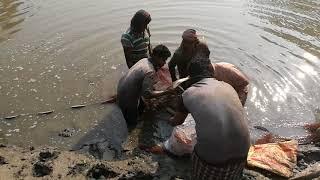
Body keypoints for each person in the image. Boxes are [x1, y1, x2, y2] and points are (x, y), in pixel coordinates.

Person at [169, 58, 250, 179]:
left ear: (190, 77)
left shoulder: (186, 94)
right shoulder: (228, 86)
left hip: (213, 162)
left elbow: (177, 121)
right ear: (211, 72)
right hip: (243, 154)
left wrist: (168, 120)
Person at [117, 44, 171, 126]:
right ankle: (131, 130)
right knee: (131, 121)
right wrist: (167, 92)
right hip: (127, 98)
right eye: (163, 59)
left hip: (121, 88)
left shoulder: (144, 60)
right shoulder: (150, 71)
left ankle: (138, 114)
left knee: (141, 104)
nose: (164, 63)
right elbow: (147, 94)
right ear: (156, 56)